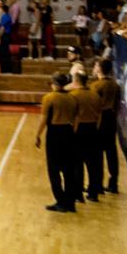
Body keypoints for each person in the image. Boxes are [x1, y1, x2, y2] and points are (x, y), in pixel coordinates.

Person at [35, 72, 80, 212]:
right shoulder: (73, 98)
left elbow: (44, 119)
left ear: (54, 83)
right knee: (69, 170)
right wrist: (72, 132)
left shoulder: (49, 98)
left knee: (53, 170)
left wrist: (37, 135)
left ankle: (61, 201)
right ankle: (70, 202)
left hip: (55, 133)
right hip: (69, 132)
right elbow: (77, 119)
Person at [70, 71, 103, 204]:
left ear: (76, 81)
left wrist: (72, 132)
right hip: (93, 129)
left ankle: (78, 193)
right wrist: (96, 128)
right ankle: (93, 193)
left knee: (77, 163)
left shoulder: (74, 95)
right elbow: (100, 115)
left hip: (79, 130)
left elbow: (74, 116)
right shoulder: (95, 95)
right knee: (93, 164)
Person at [91, 59, 120, 194]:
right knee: (111, 151)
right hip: (111, 118)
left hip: (100, 118)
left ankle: (98, 184)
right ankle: (113, 183)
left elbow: (93, 105)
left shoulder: (96, 86)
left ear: (100, 69)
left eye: (96, 65)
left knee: (97, 153)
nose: (94, 67)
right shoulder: (115, 85)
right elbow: (117, 105)